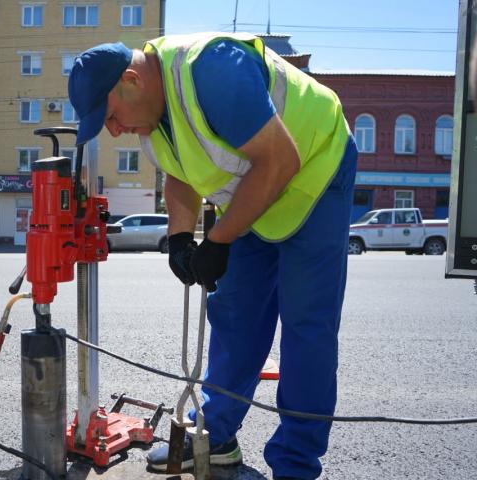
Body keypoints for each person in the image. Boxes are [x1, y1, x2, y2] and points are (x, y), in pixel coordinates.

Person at [68, 33, 357, 480]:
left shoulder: (213, 71)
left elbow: (280, 161)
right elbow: (180, 174)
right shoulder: (149, 115)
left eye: (109, 115)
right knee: (235, 314)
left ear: (131, 81)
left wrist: (219, 239)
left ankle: (296, 464)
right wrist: (182, 237)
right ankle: (215, 436)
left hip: (313, 173)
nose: (113, 129)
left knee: (306, 325)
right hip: (254, 190)